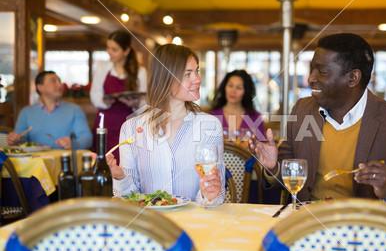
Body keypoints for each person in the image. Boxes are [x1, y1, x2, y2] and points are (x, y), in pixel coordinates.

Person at [249, 33, 386, 216]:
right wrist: (273, 167)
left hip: (365, 232)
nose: (310, 79)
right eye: (311, 70)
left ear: (353, 78)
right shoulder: (303, 110)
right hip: (307, 225)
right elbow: (289, 179)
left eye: (322, 72)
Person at [107, 44, 225, 204]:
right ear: (165, 79)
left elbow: (216, 196)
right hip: (151, 225)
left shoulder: (210, 126)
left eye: (196, 71)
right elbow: (129, 199)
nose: (198, 79)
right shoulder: (131, 128)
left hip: (193, 225)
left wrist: (209, 195)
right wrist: (120, 176)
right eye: (187, 74)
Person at [90, 30, 147, 163]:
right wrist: (104, 101)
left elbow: (145, 104)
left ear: (126, 51)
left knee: (126, 164)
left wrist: (135, 104)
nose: (109, 52)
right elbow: (94, 95)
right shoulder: (103, 68)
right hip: (105, 123)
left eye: (114, 49)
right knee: (103, 163)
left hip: (129, 123)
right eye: (108, 48)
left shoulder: (140, 71)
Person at [7, 71, 92, 149]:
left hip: (65, 161)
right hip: (36, 162)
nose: (59, 85)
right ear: (40, 87)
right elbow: (20, 139)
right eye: (53, 81)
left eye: (59, 81)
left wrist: (74, 143)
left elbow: (87, 138)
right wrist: (14, 139)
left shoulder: (74, 110)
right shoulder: (26, 112)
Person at [209, 70, 266, 145]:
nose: (233, 91)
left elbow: (263, 149)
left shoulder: (255, 118)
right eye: (230, 85)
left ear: (246, 91)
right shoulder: (211, 116)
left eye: (239, 88)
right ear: (224, 87)